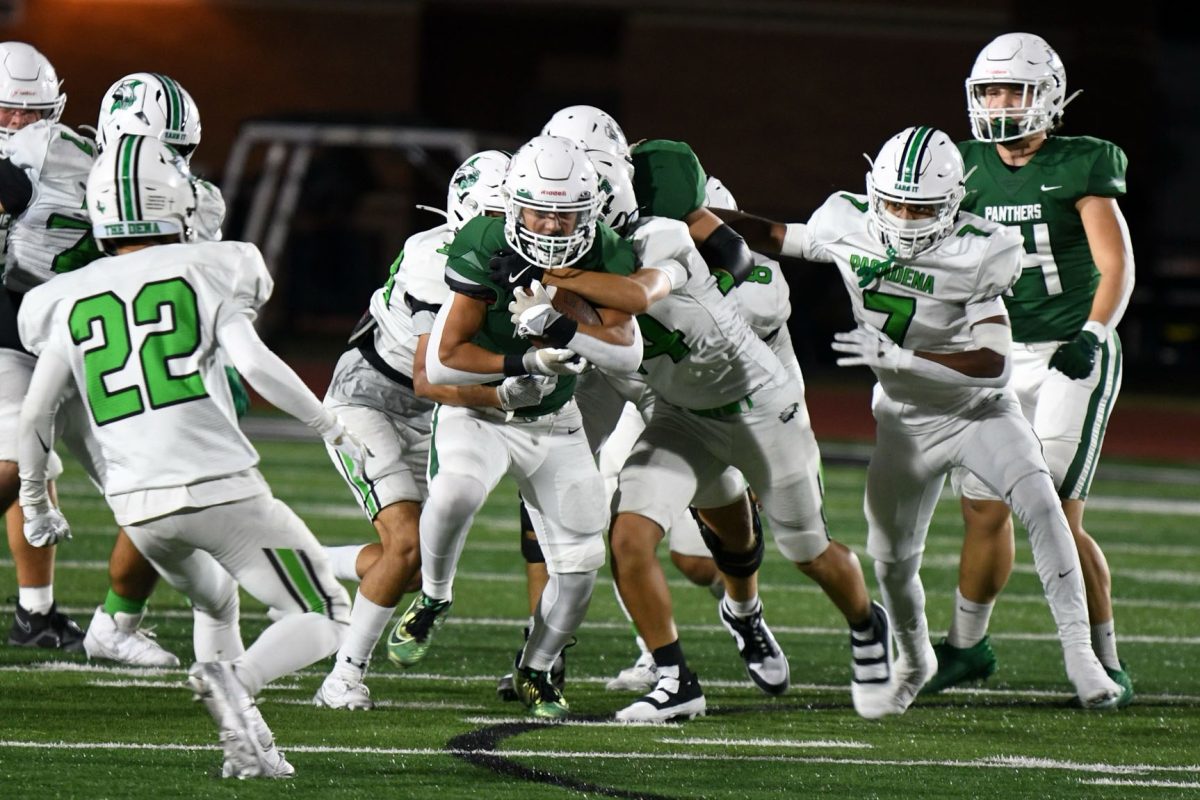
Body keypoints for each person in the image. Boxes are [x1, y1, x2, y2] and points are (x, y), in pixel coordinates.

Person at [719, 125, 1122, 714]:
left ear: (955, 202)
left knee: (1041, 501)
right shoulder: (845, 220)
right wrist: (691, 215)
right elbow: (777, 235)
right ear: (872, 190)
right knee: (891, 557)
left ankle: (1082, 656)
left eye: (922, 207)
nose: (906, 218)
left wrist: (904, 358)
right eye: (895, 202)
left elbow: (993, 366)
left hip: (978, 412)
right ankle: (914, 659)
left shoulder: (984, 245)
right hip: (904, 421)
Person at [16, 135, 362, 778]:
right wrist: (328, 423)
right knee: (326, 612)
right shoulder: (211, 265)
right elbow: (256, 364)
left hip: (138, 508)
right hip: (217, 488)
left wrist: (37, 504)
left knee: (217, 602)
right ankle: (240, 680)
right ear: (172, 198)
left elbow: (36, 414)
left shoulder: (61, 296)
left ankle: (249, 746)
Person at [509, 148, 891, 724]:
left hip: (760, 409)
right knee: (630, 537)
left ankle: (867, 622)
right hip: (682, 415)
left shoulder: (660, 237)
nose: (557, 229)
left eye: (572, 214)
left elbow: (637, 299)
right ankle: (675, 680)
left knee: (807, 549)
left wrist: (557, 308)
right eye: (550, 216)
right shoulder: (572, 263)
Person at [385, 134, 643, 720]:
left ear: (591, 211)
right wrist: (522, 365)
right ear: (513, 204)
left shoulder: (603, 248)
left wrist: (557, 328)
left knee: (580, 569)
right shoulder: (482, 240)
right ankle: (434, 598)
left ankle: (537, 665)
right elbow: (443, 360)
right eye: (538, 211)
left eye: (565, 214)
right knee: (453, 492)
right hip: (482, 413)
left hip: (556, 421)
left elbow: (626, 351)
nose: (551, 226)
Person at [925, 32, 1135, 704]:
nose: (1000, 103)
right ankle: (966, 647)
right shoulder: (961, 168)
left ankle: (1105, 660)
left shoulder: (1082, 163)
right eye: (989, 90)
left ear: (1047, 95)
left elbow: (1115, 264)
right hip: (995, 359)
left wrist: (1096, 333)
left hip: (1069, 356)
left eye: (1013, 89)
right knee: (983, 512)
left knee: (1058, 515)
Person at [312, 149, 546, 710]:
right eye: (497, 216)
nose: (509, 231)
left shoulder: (516, 253)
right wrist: (508, 386)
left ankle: (305, 561)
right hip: (373, 400)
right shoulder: (434, 258)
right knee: (409, 547)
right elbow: (429, 377)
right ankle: (342, 678)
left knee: (411, 568)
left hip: (433, 413)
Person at [73, 71, 236, 668]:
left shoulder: (197, 198)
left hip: (122, 356)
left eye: (181, 151)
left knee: (162, 489)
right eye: (166, 150)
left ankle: (117, 621)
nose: (176, 164)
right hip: (56, 344)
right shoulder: (65, 172)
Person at [0, 41, 94, 650]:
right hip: (13, 317)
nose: (17, 123)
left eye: (30, 113)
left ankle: (36, 613)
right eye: (6, 111)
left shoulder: (77, 156)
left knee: (29, 453)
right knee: (15, 459)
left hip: (60, 322)